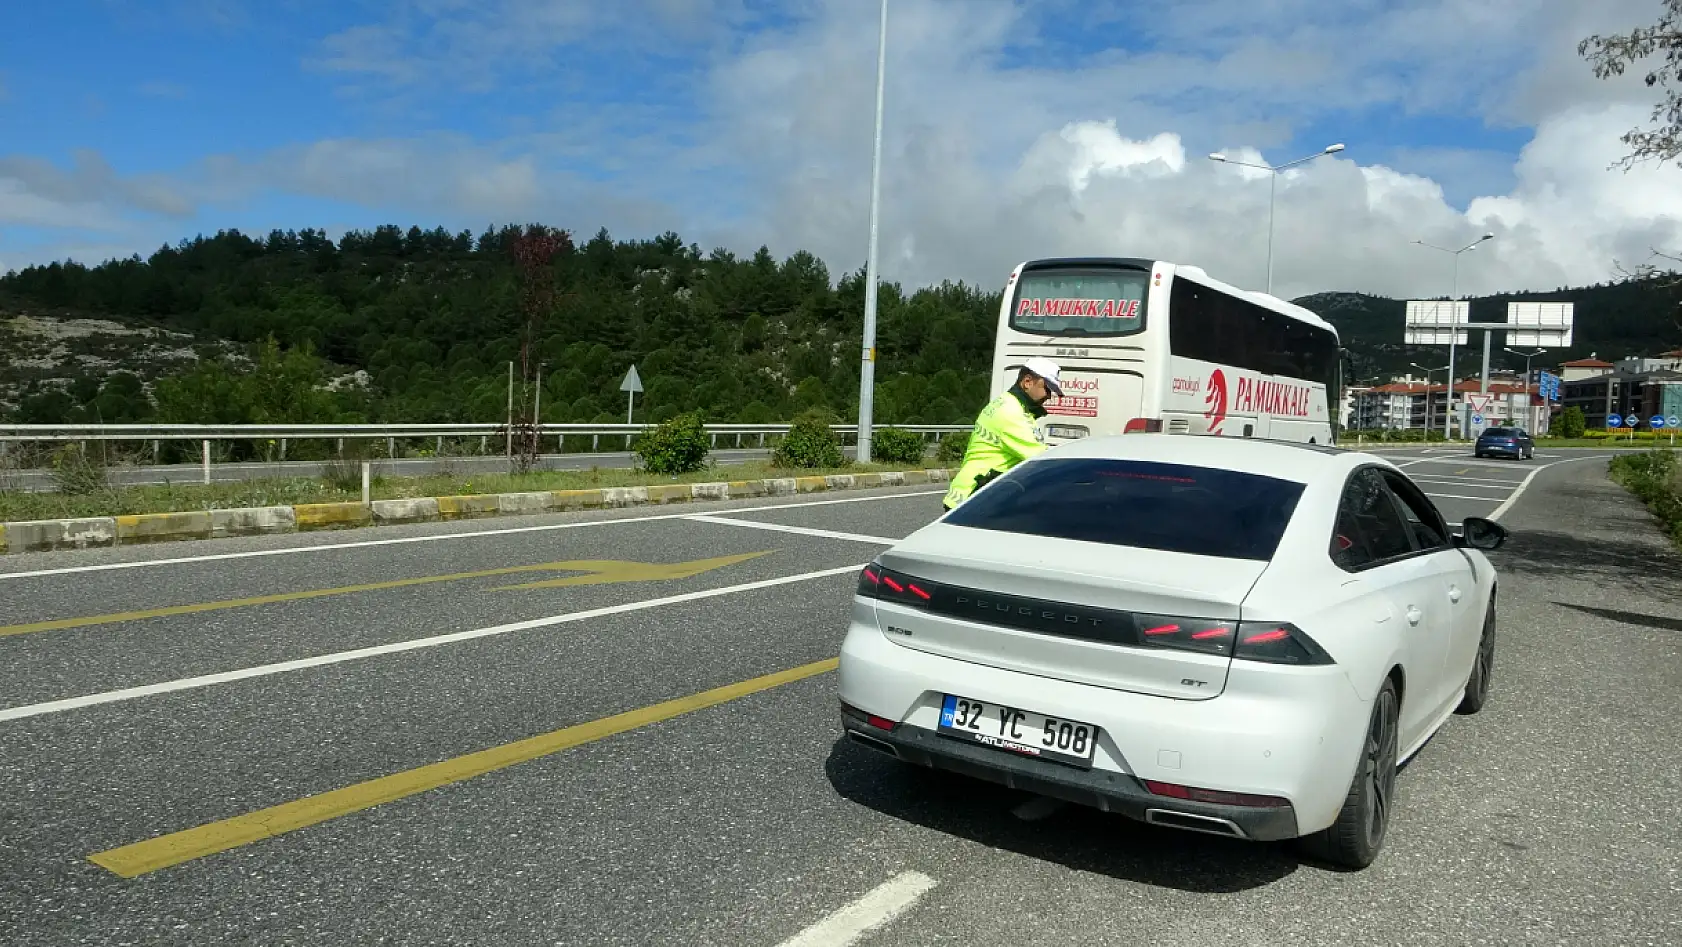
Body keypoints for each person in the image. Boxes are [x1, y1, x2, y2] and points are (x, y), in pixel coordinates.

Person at [942, 356, 1063, 511]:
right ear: (1027, 382)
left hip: (970, 495)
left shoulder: (1007, 404)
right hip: (973, 499)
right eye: (1047, 388)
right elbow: (1043, 460)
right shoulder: (1011, 413)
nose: (1048, 395)